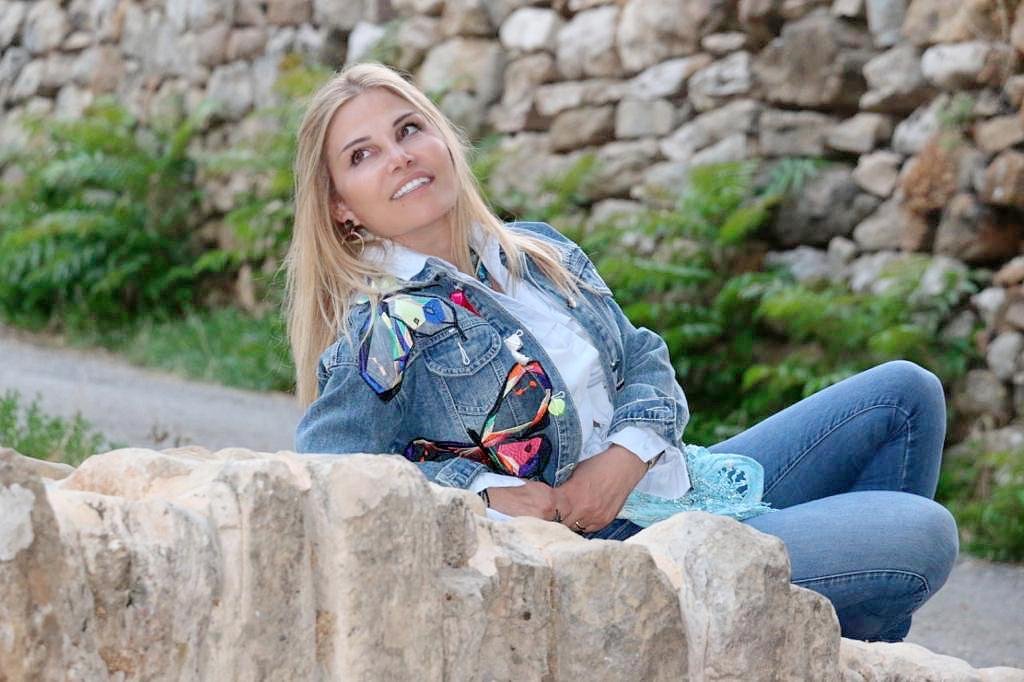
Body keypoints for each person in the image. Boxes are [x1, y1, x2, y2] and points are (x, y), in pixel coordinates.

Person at [289, 62, 958, 643]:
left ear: (442, 139)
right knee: (918, 533)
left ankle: (819, 649)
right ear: (341, 207)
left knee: (905, 396)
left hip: (674, 482)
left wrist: (624, 457)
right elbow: (332, 470)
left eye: (409, 129)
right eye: (362, 155)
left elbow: (642, 357)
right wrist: (486, 494)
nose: (399, 156)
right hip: (617, 554)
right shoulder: (382, 330)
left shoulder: (537, 253)